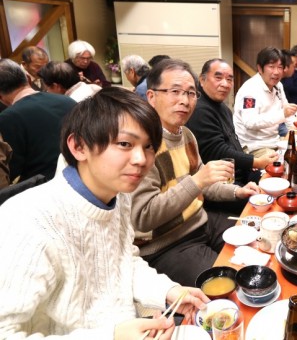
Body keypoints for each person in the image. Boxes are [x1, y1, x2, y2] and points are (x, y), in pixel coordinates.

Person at [0, 87, 208, 338]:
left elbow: (124, 262)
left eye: (149, 146)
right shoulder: (28, 220)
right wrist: (113, 336)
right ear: (78, 146)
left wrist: (167, 291)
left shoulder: (118, 196)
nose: (141, 159)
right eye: (124, 144)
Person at [131, 58, 260, 286]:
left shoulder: (186, 135)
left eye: (191, 93)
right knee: (228, 284)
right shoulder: (143, 145)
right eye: (175, 91)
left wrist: (237, 192)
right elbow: (143, 217)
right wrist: (197, 181)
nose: (185, 101)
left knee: (258, 241)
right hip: (168, 244)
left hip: (201, 222)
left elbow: (205, 182)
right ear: (152, 97)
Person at [186, 58, 278, 186]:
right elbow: (218, 150)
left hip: (241, 170)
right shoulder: (200, 110)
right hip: (221, 184)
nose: (225, 84)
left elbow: (233, 141)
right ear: (202, 80)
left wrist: (251, 165)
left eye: (229, 79)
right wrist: (255, 161)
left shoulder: (222, 107)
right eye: (218, 78)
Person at [0, 58, 76, 182]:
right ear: (27, 78)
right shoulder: (68, 101)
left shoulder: (6, 119)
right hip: (81, 179)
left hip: (40, 189)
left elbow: (10, 170)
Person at [233, 47, 297, 157]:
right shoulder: (250, 90)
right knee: (283, 163)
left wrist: (294, 129)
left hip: (274, 142)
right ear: (260, 68)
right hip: (254, 147)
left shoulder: (278, 86)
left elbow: (287, 110)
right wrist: (282, 114)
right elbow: (250, 122)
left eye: (280, 67)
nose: (276, 72)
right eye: (271, 67)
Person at [37, 60, 101, 102]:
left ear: (57, 86)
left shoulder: (71, 103)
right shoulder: (94, 88)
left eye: (47, 88)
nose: (47, 91)